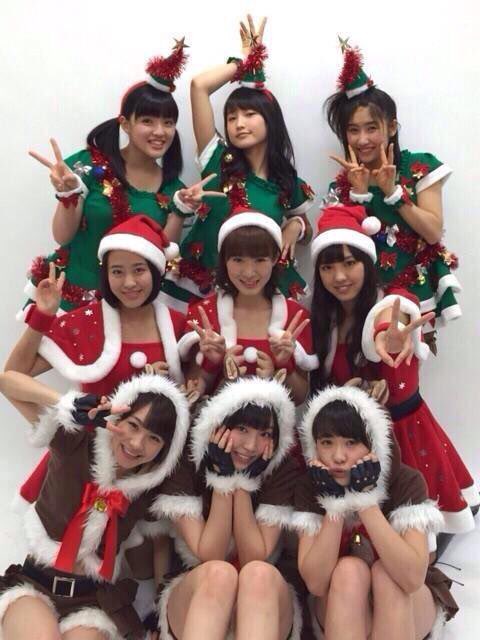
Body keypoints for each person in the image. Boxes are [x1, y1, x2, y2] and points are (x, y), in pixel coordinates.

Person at [308, 203, 478, 535]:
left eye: (349, 263)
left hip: (405, 437)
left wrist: (388, 335)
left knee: (412, 534)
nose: (339, 276)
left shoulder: (391, 300)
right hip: (350, 446)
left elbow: (394, 314)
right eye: (328, 267)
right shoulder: (322, 320)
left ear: (367, 262)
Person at [5, 215, 187, 504]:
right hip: (84, 462)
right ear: (106, 275)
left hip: (148, 471)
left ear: (156, 270)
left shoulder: (179, 325)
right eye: (117, 272)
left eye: (139, 270)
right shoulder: (88, 322)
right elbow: (12, 376)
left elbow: (190, 395)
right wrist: (43, 317)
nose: (129, 282)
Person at [0, 370, 190, 640]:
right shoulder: (75, 442)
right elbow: (7, 381)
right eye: (133, 425)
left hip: (90, 601)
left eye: (154, 439)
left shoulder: (147, 491)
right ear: (116, 418)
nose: (137, 443)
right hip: (34, 584)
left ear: (165, 450)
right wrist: (67, 402)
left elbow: (159, 545)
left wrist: (161, 612)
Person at [161, 15, 315, 312]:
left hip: (256, 290)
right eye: (232, 117)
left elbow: (308, 235)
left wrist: (295, 226)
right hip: (200, 286)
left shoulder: (285, 180)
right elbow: (199, 86)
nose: (239, 124)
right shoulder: (217, 159)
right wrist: (244, 60)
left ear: (270, 119)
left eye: (249, 115)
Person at [25, 39, 191, 313]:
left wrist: (180, 211)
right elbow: (62, 237)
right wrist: (68, 195)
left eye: (168, 122)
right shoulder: (89, 166)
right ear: (125, 124)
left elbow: (163, 255)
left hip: (131, 310)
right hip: (71, 302)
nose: (160, 131)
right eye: (147, 121)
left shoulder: (174, 189)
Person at [292, 384, 458, 640]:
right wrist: (335, 504)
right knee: (348, 570)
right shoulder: (310, 487)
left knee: (386, 576)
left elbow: (412, 578)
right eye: (327, 443)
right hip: (342, 600)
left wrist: (366, 501)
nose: (338, 456)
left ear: (375, 444)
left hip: (406, 598)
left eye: (351, 442)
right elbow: (316, 582)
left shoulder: (405, 480)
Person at [325, 38, 461, 350]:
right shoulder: (343, 185)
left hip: (411, 289)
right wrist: (358, 195)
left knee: (401, 367)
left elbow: (432, 231)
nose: (362, 139)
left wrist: (394, 193)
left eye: (371, 128)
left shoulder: (418, 167)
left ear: (392, 127)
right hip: (359, 294)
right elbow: (340, 250)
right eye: (353, 130)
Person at [151, 376, 303, 640]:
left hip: (264, 599)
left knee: (259, 574)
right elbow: (210, 554)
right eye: (242, 429)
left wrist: (242, 484)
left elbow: (254, 556)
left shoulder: (280, 469)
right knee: (219, 575)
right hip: (197, 590)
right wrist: (221, 479)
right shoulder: (186, 460)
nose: (251, 445)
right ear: (217, 424)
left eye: (265, 434)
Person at [178, 207, 317, 404]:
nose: (249, 272)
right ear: (224, 260)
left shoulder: (296, 317)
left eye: (260, 260)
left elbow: (300, 397)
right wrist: (213, 364)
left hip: (274, 423)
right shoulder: (203, 313)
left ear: (275, 258)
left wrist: (284, 365)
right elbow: (190, 393)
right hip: (216, 424)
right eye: (238, 260)